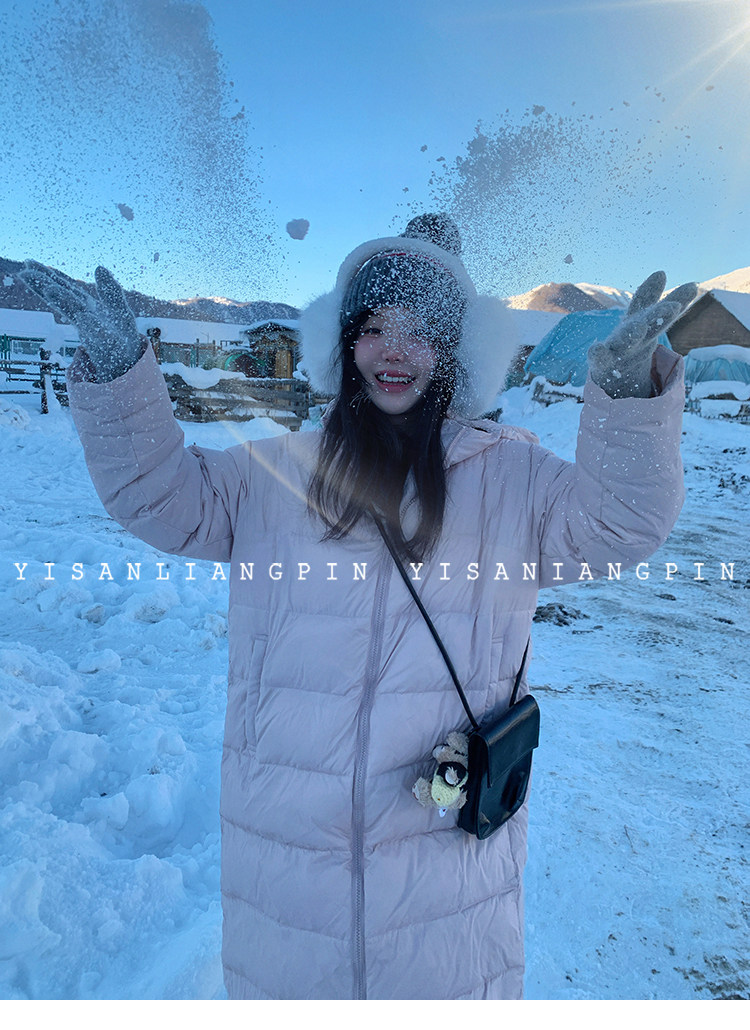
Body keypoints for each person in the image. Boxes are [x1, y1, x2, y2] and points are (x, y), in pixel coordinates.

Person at [20, 215, 696, 1000]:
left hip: (444, 880)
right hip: (284, 867)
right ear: (344, 343)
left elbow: (619, 525)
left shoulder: (516, 481)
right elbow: (162, 498)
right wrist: (117, 373)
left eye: (419, 330)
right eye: (374, 327)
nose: (393, 350)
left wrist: (628, 397)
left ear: (456, 348)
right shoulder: (278, 472)